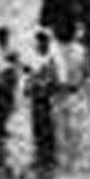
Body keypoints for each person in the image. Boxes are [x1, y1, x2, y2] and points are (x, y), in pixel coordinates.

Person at [28, 31, 60, 169]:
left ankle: (49, 157)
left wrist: (43, 85)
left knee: (46, 127)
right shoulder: (34, 59)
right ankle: (40, 155)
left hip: (44, 99)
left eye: (42, 42)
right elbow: (29, 77)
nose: (40, 45)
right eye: (39, 42)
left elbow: (54, 80)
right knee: (37, 127)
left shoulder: (50, 60)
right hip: (36, 98)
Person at [0, 25, 21, 145]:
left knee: (8, 106)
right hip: (3, 81)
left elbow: (16, 64)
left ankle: (1, 128)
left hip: (9, 81)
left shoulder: (10, 50)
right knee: (2, 107)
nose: (3, 39)